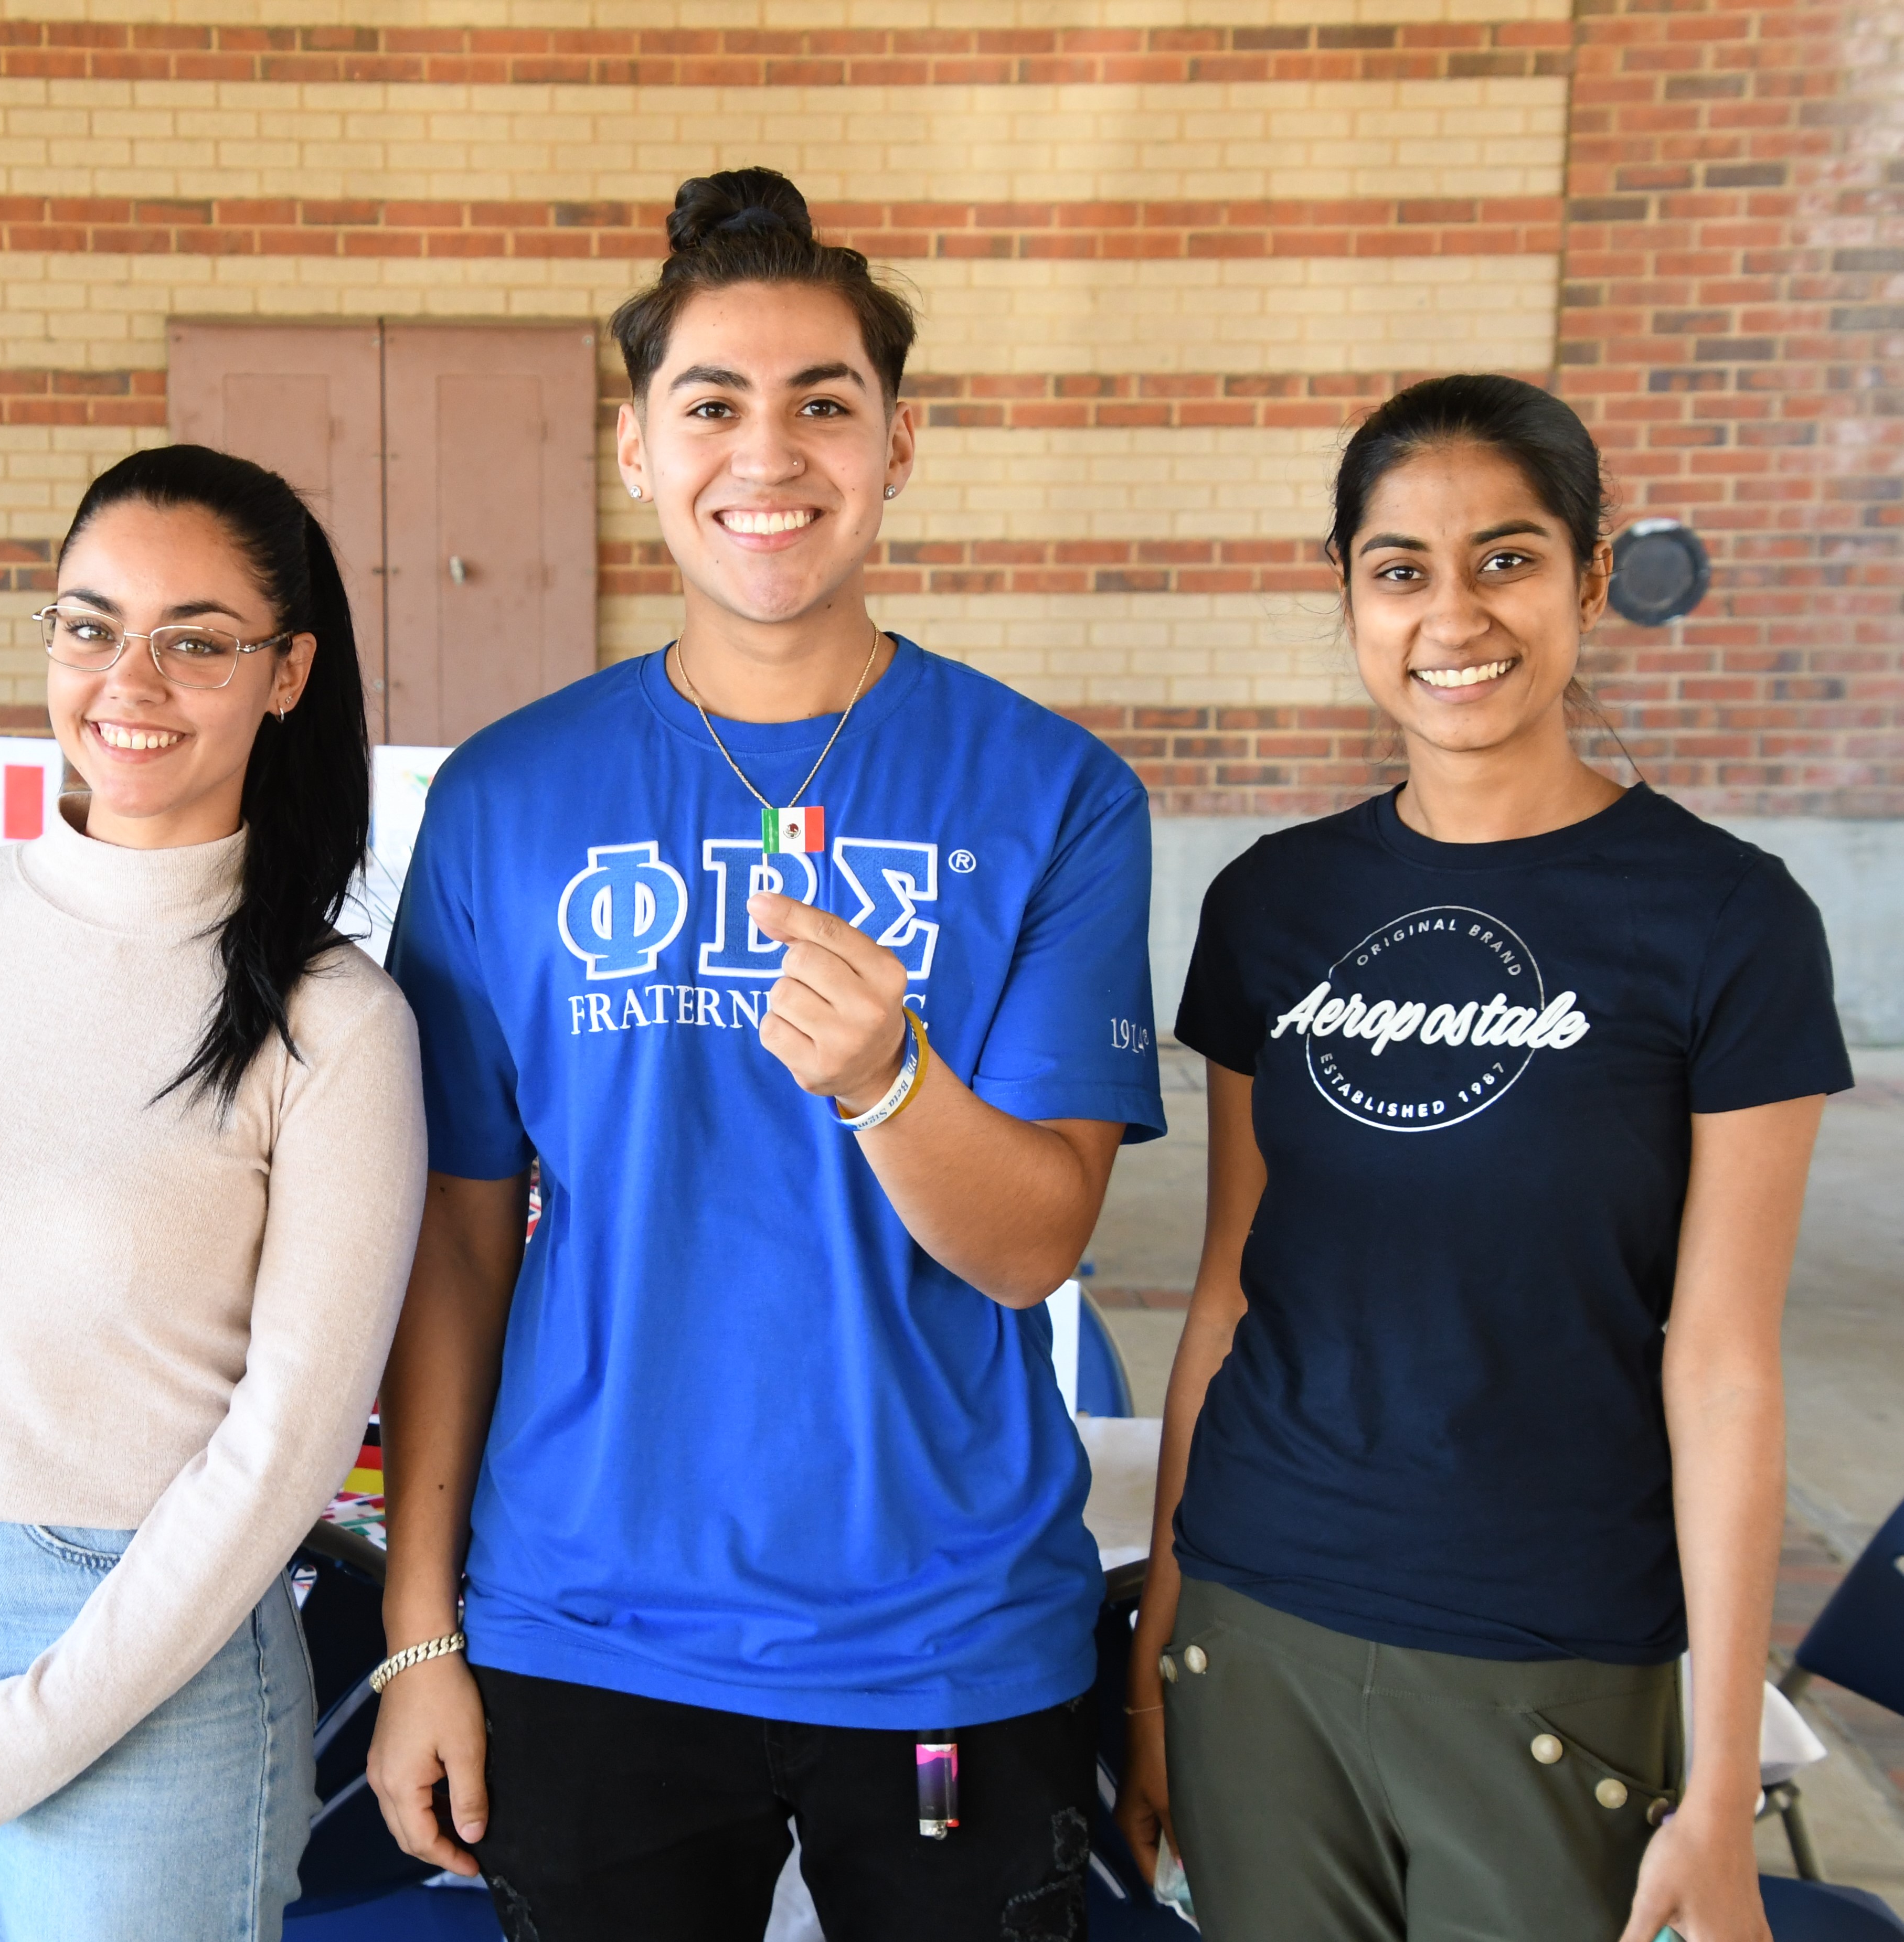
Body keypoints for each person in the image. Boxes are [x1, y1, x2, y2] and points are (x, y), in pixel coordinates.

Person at [367, 166, 1164, 1940]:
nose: (770, 452)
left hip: (944, 1632)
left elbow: (1036, 1244)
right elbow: (456, 1251)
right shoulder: (509, 799)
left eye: (826, 403)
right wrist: (421, 1628)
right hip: (588, 1624)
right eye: (711, 404)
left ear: (898, 444)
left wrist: (894, 1085)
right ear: (638, 449)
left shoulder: (1052, 796)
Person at [1112, 375, 1854, 1942]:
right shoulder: (1273, 906)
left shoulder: (1727, 923)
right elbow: (1235, 1290)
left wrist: (1720, 1791)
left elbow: (1723, 1368)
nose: (1455, 614)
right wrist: (1162, 1644)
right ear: (1350, 598)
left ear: (1590, 579)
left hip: (1551, 1660)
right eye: (1401, 570)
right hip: (1259, 1633)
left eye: (1507, 559)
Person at [0, 445, 427, 1940]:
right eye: (91, 624)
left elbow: (289, 1442)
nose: (132, 680)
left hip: (145, 1662)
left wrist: (28, 1728)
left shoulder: (335, 1019)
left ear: (287, 672)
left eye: (198, 640)